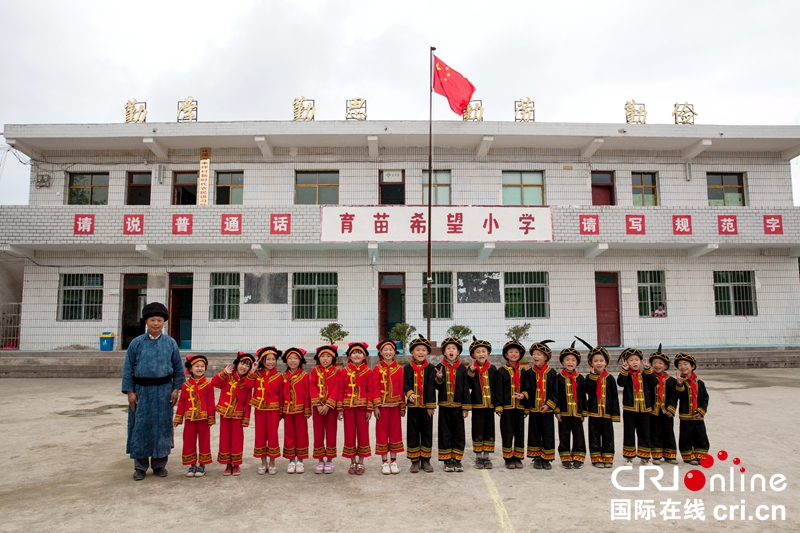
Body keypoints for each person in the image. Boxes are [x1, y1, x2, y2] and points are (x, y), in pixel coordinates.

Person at [121, 301, 184, 481]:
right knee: (140, 427)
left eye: (159, 320)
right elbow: (127, 369)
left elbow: (178, 369)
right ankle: (140, 466)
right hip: (142, 392)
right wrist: (130, 392)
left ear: (164, 322)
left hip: (164, 391)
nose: (156, 323)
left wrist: (176, 389)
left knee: (162, 427)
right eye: (152, 320)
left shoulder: (170, 343)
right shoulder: (136, 343)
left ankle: (159, 464)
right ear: (146, 322)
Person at [577, 337, 620, 468]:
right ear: (591, 363)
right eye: (596, 361)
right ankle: (596, 458)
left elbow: (614, 397)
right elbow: (588, 392)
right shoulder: (589, 377)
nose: (599, 363)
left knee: (608, 436)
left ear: (606, 362)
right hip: (594, 412)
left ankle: (608, 457)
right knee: (594, 436)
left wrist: (615, 414)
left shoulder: (610, 378)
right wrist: (593, 378)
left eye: (601, 360)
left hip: (607, 413)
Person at [211, 352, 256, 476]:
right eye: (242, 363)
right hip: (225, 413)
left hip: (238, 415)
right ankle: (227, 464)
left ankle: (236, 464)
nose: (244, 367)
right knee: (225, 438)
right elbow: (214, 383)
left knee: (237, 440)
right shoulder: (228, 376)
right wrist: (223, 373)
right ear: (237, 364)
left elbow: (248, 400)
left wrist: (246, 418)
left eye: (247, 365)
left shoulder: (248, 381)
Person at [173, 354, 215, 477]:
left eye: (202, 366)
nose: (200, 368)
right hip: (190, 419)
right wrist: (178, 417)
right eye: (197, 366)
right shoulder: (186, 385)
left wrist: (211, 418)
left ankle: (202, 465)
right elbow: (181, 403)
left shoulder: (207, 384)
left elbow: (211, 403)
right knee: (189, 440)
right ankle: (192, 465)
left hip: (203, 419)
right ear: (190, 369)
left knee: (204, 441)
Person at [435, 336, 470, 473]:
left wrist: (466, 407)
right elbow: (436, 387)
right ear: (444, 352)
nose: (451, 350)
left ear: (458, 352)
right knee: (445, 433)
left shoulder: (462, 368)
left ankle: (457, 459)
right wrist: (439, 378)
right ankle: (447, 460)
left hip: (458, 406)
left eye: (454, 348)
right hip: (444, 406)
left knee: (458, 433)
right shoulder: (439, 367)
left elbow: (466, 388)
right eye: (448, 348)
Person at [338, 342, 373, 475]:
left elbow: (371, 391)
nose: (356, 355)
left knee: (363, 435)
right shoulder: (344, 372)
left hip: (363, 409)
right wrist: (340, 409)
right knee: (349, 434)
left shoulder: (368, 372)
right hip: (348, 408)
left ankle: (361, 462)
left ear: (364, 356)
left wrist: (370, 409)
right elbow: (341, 390)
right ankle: (352, 461)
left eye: (359, 352)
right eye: (353, 352)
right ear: (349, 356)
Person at [404, 334, 437, 473]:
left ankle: (426, 459)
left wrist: (430, 405)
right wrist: (409, 393)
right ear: (412, 352)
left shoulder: (431, 368)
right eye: (417, 350)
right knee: (412, 432)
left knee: (427, 433)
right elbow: (404, 383)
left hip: (426, 408)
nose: (420, 352)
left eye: (423, 350)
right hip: (413, 407)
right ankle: (414, 460)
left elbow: (432, 387)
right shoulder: (407, 368)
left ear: (428, 353)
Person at [617, 347, 656, 465]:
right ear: (626, 362)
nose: (634, 362)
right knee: (629, 433)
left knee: (644, 433)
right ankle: (629, 457)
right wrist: (623, 371)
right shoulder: (626, 375)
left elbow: (654, 383)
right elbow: (620, 383)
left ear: (641, 362)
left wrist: (649, 370)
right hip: (630, 409)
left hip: (644, 409)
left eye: (637, 360)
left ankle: (645, 457)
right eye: (631, 360)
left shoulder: (645, 375)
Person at [524, 340, 559, 470]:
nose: (535, 357)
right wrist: (525, 397)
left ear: (546, 357)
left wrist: (549, 405)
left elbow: (555, 392)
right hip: (534, 409)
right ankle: (536, 457)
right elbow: (527, 388)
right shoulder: (529, 373)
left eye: (539, 354)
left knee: (548, 433)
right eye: (534, 354)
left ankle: (547, 457)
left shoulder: (552, 373)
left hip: (547, 411)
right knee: (534, 433)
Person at [372, 339, 405, 475]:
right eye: (385, 349)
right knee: (382, 433)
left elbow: (401, 387)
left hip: (395, 406)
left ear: (394, 352)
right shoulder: (376, 369)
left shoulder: (399, 369)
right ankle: (384, 462)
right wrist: (376, 406)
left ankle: (393, 460)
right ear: (380, 352)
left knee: (395, 433)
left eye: (390, 349)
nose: (388, 352)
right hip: (382, 407)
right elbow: (374, 388)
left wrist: (402, 406)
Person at [495, 338, 529, 469]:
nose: (514, 354)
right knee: (507, 433)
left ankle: (518, 457)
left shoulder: (524, 371)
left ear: (520, 354)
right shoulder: (501, 371)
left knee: (519, 433)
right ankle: (508, 458)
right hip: (507, 408)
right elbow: (498, 390)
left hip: (519, 408)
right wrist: (499, 406)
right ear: (506, 354)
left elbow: (528, 388)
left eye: (516, 352)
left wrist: (524, 396)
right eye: (511, 351)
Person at [251, 346, 283, 475]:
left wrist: (281, 411)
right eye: (267, 359)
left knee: (272, 435)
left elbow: (281, 395)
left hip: (273, 411)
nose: (270, 362)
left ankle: (272, 462)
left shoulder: (279, 376)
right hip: (259, 409)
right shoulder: (256, 375)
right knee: (260, 435)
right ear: (262, 361)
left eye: (273, 359)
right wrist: (252, 371)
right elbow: (247, 386)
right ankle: (263, 463)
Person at [466, 336, 497, 469]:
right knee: (477, 429)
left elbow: (497, 387)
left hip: (490, 405)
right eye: (478, 352)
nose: (481, 354)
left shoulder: (493, 369)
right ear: (473, 355)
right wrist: (471, 372)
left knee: (489, 429)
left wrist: (498, 404)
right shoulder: (471, 369)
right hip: (477, 404)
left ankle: (487, 456)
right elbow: (468, 385)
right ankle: (478, 456)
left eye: (483, 351)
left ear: (488, 353)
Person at [554, 342, 586, 469]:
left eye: (573, 360)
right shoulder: (559, 378)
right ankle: (565, 457)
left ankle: (578, 457)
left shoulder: (580, 378)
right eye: (567, 359)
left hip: (577, 412)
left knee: (578, 435)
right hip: (564, 413)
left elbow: (583, 396)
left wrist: (583, 411)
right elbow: (555, 395)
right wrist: (557, 411)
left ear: (577, 363)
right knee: (564, 436)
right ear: (563, 362)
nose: (570, 362)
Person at [310, 344, 342, 474]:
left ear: (333, 358)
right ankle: (319, 460)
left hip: (331, 409)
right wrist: (318, 405)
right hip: (318, 409)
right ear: (318, 358)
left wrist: (328, 405)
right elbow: (311, 387)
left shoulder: (337, 372)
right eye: (322, 356)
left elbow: (337, 389)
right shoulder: (314, 371)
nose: (325, 359)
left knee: (331, 433)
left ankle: (329, 460)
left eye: (328, 356)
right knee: (318, 433)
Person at [674, 353, 710, 465]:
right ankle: (688, 456)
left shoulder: (700, 383)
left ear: (692, 366)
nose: (683, 367)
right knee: (686, 436)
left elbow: (705, 398)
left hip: (698, 416)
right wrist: (679, 385)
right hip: (685, 416)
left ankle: (701, 455)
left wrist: (701, 410)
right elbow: (678, 396)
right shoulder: (680, 382)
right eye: (680, 365)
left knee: (700, 435)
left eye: (685, 364)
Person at [281, 347, 311, 474]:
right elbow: (280, 395)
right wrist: (280, 411)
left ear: (301, 361)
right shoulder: (282, 376)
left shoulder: (304, 376)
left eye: (296, 358)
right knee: (289, 435)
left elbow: (307, 395)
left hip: (300, 412)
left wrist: (307, 410)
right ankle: (291, 460)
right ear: (286, 361)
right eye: (290, 358)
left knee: (302, 435)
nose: (293, 361)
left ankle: (300, 460)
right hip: (287, 411)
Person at [648, 344, 678, 465]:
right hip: (653, 411)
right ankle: (656, 455)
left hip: (666, 412)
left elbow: (674, 397)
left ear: (665, 366)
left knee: (668, 432)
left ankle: (670, 455)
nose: (657, 365)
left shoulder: (671, 381)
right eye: (654, 363)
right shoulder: (649, 379)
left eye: (660, 363)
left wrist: (671, 409)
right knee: (655, 433)